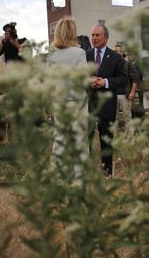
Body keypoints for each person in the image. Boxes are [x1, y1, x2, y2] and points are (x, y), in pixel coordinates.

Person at [49, 16, 89, 178]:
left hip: (59, 102)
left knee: (60, 139)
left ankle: (57, 176)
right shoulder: (79, 53)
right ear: (73, 32)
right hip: (77, 102)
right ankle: (80, 177)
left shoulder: (51, 54)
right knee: (80, 139)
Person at [87, 25, 127, 177]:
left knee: (106, 141)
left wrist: (106, 82)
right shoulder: (86, 55)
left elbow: (123, 79)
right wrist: (88, 80)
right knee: (85, 141)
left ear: (106, 37)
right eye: (93, 35)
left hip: (107, 106)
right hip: (89, 105)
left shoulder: (115, 57)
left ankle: (107, 173)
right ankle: (85, 172)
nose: (94, 38)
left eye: (97, 35)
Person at [113, 45, 139, 131]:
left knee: (127, 117)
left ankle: (130, 138)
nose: (114, 53)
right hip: (114, 95)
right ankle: (115, 137)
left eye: (116, 51)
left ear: (122, 53)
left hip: (125, 94)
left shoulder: (128, 64)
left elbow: (135, 79)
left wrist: (132, 92)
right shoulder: (113, 65)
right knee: (114, 117)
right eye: (114, 51)